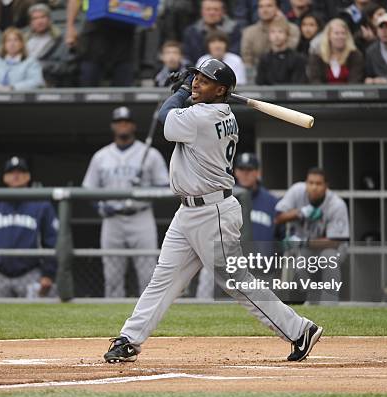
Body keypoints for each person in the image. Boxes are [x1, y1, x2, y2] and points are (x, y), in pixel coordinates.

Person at [103, 59, 323, 364]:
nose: (195, 83)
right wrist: (189, 91)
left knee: (236, 283)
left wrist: (179, 91)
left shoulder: (203, 117)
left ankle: (299, 330)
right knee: (163, 278)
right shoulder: (216, 111)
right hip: (190, 212)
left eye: (204, 81)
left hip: (212, 213)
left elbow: (165, 116)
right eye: (195, 78)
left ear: (221, 90)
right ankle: (130, 338)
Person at [82, 106, 169, 298]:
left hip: (141, 216)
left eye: (126, 122)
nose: (123, 126)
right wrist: (101, 207)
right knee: (112, 277)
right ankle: (114, 321)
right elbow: (87, 190)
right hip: (112, 219)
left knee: (148, 275)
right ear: (113, 126)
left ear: (133, 126)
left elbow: (165, 187)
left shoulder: (150, 153)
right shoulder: (101, 156)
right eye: (119, 122)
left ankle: (146, 318)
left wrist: (143, 191)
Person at [196, 152, 283, 298]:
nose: (245, 174)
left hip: (261, 265)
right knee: (207, 271)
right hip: (227, 259)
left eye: (250, 170)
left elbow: (280, 236)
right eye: (242, 169)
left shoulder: (271, 202)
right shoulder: (223, 197)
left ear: (258, 172)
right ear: (235, 171)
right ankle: (198, 306)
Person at [0, 156, 58, 298]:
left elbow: (52, 240)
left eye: (20, 172)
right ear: (5, 178)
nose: (16, 176)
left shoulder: (41, 204)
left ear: (28, 176)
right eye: (11, 172)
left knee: (36, 317)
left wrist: (48, 274)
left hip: (30, 273)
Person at [275, 168, 349, 304]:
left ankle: (329, 305)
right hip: (306, 247)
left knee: (328, 257)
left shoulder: (337, 205)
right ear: (306, 183)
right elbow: (278, 217)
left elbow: (335, 242)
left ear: (326, 186)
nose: (314, 187)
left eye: (319, 183)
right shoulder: (297, 191)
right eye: (311, 183)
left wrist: (303, 242)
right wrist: (299, 213)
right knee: (300, 262)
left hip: (333, 249)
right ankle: (311, 302)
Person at [65, 0, 136, 86]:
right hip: (96, 23)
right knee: (89, 75)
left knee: (123, 77)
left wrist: (149, 19)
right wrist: (70, 26)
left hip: (125, 25)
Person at [24, 4, 75, 87]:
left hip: (50, 82)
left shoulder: (61, 40)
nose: (39, 21)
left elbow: (67, 67)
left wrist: (42, 65)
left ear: (49, 20)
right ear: (31, 23)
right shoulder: (24, 41)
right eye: (35, 18)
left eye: (43, 17)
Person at [0, 27, 44, 91]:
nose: (12, 44)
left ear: (21, 44)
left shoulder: (31, 61)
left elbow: (36, 81)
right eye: (8, 40)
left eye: (16, 40)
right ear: (4, 44)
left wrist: (13, 88)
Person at [240, 0, 300, 69]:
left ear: (277, 8)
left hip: (287, 71)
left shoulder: (292, 29)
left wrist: (282, 22)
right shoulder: (249, 32)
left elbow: (289, 50)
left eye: (269, 6)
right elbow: (247, 59)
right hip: (257, 74)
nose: (264, 10)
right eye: (261, 6)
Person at [182, 0, 242, 64]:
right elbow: (188, 57)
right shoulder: (191, 32)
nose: (212, 13)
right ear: (202, 11)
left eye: (216, 9)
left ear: (223, 12)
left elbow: (235, 53)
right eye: (208, 9)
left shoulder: (234, 30)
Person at [306, 18, 365, 83]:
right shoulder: (317, 56)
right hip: (323, 92)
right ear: (328, 36)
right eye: (336, 33)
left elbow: (355, 80)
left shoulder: (355, 55)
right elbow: (315, 80)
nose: (340, 36)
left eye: (343, 33)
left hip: (349, 92)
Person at [256, 17, 308, 84]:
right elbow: (260, 83)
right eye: (273, 32)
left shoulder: (298, 59)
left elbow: (298, 83)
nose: (276, 35)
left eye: (280, 32)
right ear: (269, 35)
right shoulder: (264, 59)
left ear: (287, 35)